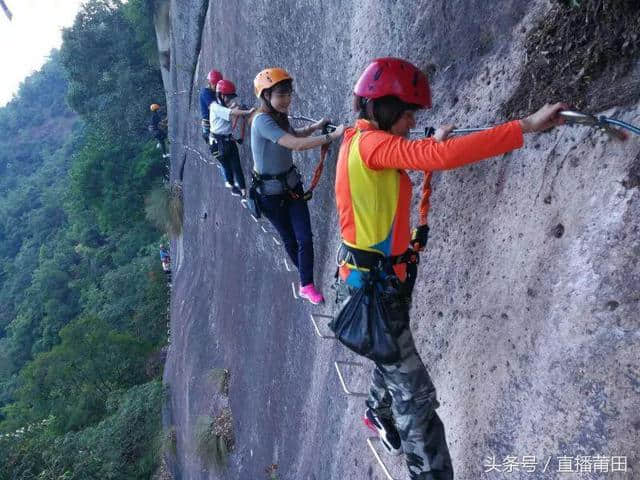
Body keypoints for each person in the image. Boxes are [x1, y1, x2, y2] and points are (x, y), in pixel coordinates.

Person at [334, 57, 567, 480]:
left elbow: (412, 158)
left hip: (377, 285)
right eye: (407, 114)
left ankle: (376, 410)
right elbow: (443, 157)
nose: (410, 122)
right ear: (384, 108)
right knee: (416, 400)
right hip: (376, 292)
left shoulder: (359, 140)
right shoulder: (371, 145)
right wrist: (527, 126)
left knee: (393, 358)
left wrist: (428, 145)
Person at [251, 67, 345, 305]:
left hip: (291, 188)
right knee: (290, 240)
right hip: (270, 197)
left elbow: (296, 134)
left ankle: (306, 284)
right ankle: (305, 279)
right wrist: (331, 137)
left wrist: (317, 126)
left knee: (304, 238)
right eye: (281, 95)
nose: (287, 99)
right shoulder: (262, 121)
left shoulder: (278, 118)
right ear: (265, 96)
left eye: (288, 94)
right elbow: (295, 144)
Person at [209, 79, 254, 197]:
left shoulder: (222, 106)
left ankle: (244, 192)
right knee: (227, 166)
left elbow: (231, 111)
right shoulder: (214, 106)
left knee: (237, 166)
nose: (230, 100)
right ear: (221, 95)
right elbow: (230, 113)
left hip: (227, 141)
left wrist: (236, 107)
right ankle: (232, 186)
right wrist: (248, 111)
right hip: (218, 144)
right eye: (228, 97)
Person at [199, 69, 223, 143]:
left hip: (214, 121)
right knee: (217, 147)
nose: (217, 87)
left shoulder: (213, 91)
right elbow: (214, 108)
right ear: (210, 83)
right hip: (209, 124)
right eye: (215, 85)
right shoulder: (205, 92)